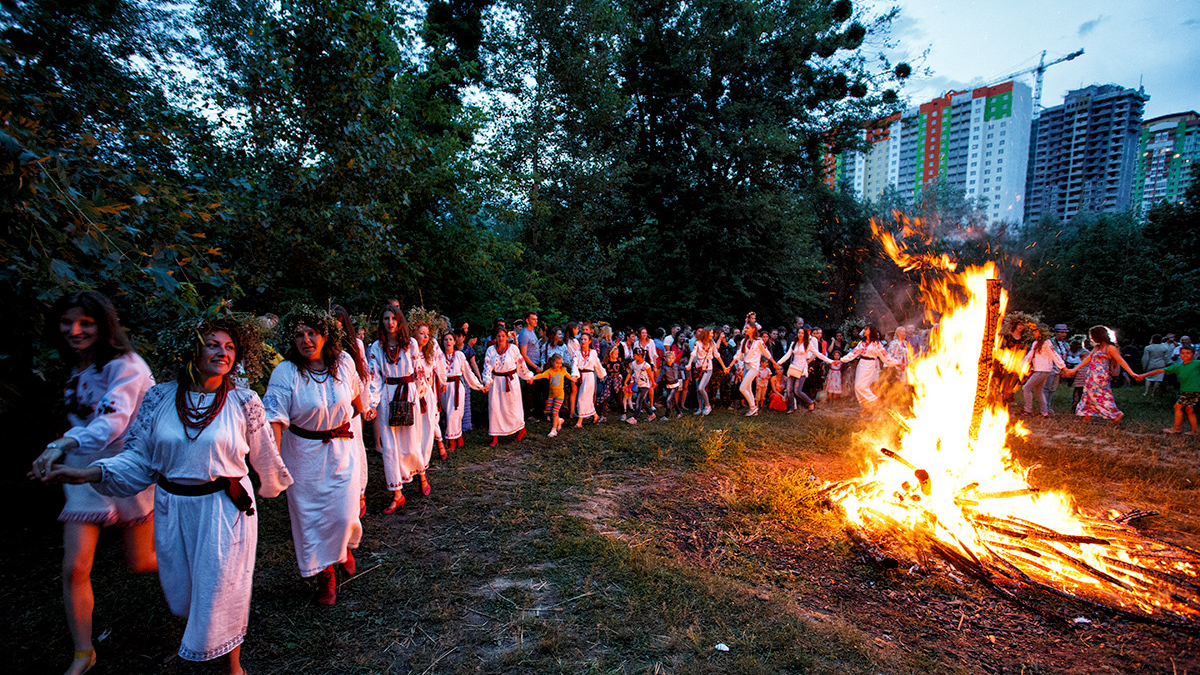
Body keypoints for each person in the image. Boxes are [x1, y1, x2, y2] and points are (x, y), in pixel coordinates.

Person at [42, 316, 293, 675]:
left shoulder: (244, 401)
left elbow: (265, 454)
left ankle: (233, 667)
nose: (222, 352)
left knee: (224, 588)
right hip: (172, 506)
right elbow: (136, 459)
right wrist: (84, 473)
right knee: (184, 593)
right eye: (213, 343)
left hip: (225, 509)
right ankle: (207, 638)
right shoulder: (159, 397)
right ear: (191, 347)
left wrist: (272, 483)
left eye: (230, 347)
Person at [29, 291, 157, 675]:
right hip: (80, 471)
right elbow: (81, 421)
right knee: (75, 567)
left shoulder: (127, 366)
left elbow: (112, 421)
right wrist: (57, 455)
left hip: (128, 470)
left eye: (85, 322)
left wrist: (60, 444)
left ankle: (204, 574)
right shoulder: (75, 366)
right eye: (68, 322)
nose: (75, 330)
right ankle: (83, 653)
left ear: (104, 325)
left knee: (142, 561)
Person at [264, 309, 365, 605]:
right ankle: (325, 576)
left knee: (344, 513)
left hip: (341, 451)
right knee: (310, 519)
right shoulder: (286, 372)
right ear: (291, 339)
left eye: (312, 333)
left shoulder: (344, 363)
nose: (306, 340)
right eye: (299, 334)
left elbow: (357, 403)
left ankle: (343, 547)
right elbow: (275, 417)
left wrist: (333, 425)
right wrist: (276, 461)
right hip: (302, 455)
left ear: (325, 335)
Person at [366, 306, 423, 514]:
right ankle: (397, 494)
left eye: (393, 318)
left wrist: (421, 396)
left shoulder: (411, 344)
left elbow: (418, 372)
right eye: (386, 318)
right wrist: (372, 403)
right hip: (387, 396)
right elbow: (374, 378)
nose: (390, 322)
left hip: (407, 393)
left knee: (410, 441)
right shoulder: (376, 347)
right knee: (389, 447)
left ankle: (420, 472)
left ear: (399, 321)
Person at [332, 305, 370, 518]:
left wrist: (364, 406)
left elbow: (363, 374)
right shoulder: (323, 345)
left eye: (338, 321)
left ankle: (360, 492)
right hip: (332, 408)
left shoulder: (355, 344)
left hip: (352, 404)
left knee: (356, 448)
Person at [1060, 326, 1139, 425]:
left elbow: (1121, 361)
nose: (1092, 339)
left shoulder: (1110, 348)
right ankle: (1087, 415)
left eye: (1093, 336)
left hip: (1101, 376)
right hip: (1091, 374)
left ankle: (1116, 413)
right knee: (1088, 394)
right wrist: (1074, 370)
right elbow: (1087, 359)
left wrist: (1132, 373)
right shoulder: (1097, 347)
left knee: (1103, 395)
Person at [482, 326, 535, 445]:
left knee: (513, 408)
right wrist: (487, 381)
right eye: (498, 336)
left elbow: (521, 364)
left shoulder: (513, 349)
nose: (501, 338)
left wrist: (528, 376)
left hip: (511, 382)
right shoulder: (490, 350)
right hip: (496, 382)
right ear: (495, 338)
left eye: (503, 336)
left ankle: (521, 430)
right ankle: (495, 435)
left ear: (507, 337)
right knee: (495, 408)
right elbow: (487, 367)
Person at [1137, 343, 1199, 434]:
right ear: (1180, 354)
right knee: (1189, 410)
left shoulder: (1197, 364)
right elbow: (1160, 370)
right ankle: (1195, 430)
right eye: (1183, 353)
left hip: (1192, 390)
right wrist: (1144, 375)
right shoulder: (1179, 366)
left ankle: (1177, 428)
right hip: (1186, 390)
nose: (1185, 355)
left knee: (1177, 407)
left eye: (1188, 353)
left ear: (1194, 354)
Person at [839, 325, 899, 414]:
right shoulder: (862, 343)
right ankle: (866, 407)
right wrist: (842, 360)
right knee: (857, 386)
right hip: (862, 364)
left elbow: (884, 355)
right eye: (865, 329)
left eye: (866, 329)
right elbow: (854, 353)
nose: (864, 330)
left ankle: (875, 400)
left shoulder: (876, 343)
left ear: (871, 331)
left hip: (870, 365)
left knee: (861, 386)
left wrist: (895, 362)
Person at [441, 333, 484, 447]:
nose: (448, 342)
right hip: (445, 388)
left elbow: (467, 372)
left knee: (454, 413)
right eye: (446, 340)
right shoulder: (439, 357)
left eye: (450, 339)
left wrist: (479, 385)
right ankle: (459, 437)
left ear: (454, 342)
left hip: (457, 387)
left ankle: (452, 442)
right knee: (448, 413)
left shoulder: (459, 355)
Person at [732, 323, 779, 416]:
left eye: (747, 328)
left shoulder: (759, 341)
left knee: (742, 388)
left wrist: (774, 363)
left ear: (753, 329)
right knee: (748, 388)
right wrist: (730, 366)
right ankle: (753, 409)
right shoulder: (744, 341)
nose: (745, 329)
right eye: (745, 328)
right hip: (746, 367)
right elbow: (739, 354)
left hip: (754, 367)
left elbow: (766, 353)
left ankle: (753, 407)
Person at [1020, 326, 1066, 417]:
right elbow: (1029, 356)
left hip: (1042, 370)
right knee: (1039, 391)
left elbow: (1054, 354)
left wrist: (1063, 366)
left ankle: (1027, 410)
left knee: (1026, 388)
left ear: (1041, 332)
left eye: (1035, 331)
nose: (1034, 333)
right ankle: (1044, 413)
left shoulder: (1047, 343)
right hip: (1039, 370)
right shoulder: (1036, 343)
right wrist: (1020, 365)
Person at [687, 328, 728, 416]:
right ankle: (700, 408)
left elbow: (717, 356)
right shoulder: (698, 343)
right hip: (698, 368)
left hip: (708, 368)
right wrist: (689, 363)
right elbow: (693, 353)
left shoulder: (712, 344)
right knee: (698, 389)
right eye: (711, 333)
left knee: (701, 388)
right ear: (706, 334)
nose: (712, 335)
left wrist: (724, 367)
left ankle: (707, 405)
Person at [532, 353, 574, 436]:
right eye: (557, 363)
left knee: (555, 412)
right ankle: (559, 420)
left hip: (560, 395)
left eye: (560, 363)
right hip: (551, 395)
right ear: (552, 362)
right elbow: (542, 375)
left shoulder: (563, 370)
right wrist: (533, 377)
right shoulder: (549, 371)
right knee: (550, 412)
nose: (559, 365)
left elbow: (568, 376)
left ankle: (554, 430)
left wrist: (573, 379)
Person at [572, 333, 606, 427]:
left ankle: (579, 422)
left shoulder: (593, 353)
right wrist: (574, 375)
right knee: (586, 398)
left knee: (581, 398)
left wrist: (602, 374)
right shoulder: (577, 353)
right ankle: (595, 415)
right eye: (582, 339)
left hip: (589, 376)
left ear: (589, 341)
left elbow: (597, 364)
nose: (583, 341)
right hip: (581, 376)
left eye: (585, 339)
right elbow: (574, 365)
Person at [625, 348, 656, 424]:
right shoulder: (633, 364)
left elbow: (650, 375)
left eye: (635, 355)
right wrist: (626, 382)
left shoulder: (646, 365)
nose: (634, 356)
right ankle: (651, 414)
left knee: (638, 400)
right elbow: (630, 373)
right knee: (643, 401)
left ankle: (634, 418)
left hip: (645, 385)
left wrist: (653, 382)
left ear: (640, 355)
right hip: (638, 384)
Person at [658, 350, 688, 418]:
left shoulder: (676, 365)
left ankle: (666, 416)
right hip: (668, 386)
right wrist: (654, 382)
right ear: (666, 359)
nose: (670, 359)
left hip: (675, 386)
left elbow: (682, 368)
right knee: (673, 400)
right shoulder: (664, 368)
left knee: (668, 400)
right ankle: (679, 412)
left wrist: (687, 367)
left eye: (672, 358)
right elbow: (660, 375)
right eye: (669, 358)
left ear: (674, 359)